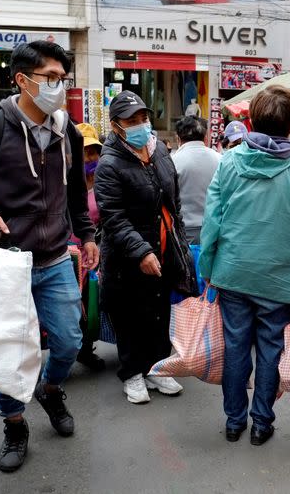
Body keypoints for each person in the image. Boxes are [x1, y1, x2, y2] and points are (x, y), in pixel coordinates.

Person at [0, 41, 98, 473]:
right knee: (10, 353)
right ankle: (14, 425)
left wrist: (86, 235)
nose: (58, 86)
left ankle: (51, 390)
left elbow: (76, 194)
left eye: (63, 79)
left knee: (70, 339)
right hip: (6, 264)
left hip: (54, 257)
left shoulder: (66, 131)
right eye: (50, 78)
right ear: (22, 79)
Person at [199, 85, 290, 446]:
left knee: (236, 346)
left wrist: (207, 267)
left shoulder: (229, 162)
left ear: (252, 121)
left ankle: (233, 421)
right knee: (271, 349)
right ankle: (261, 424)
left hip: (233, 273)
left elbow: (213, 221)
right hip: (281, 280)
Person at [93, 90, 188, 405]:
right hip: (127, 257)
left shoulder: (159, 149)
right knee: (130, 315)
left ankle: (157, 367)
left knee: (159, 312)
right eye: (131, 121)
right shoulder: (109, 164)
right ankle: (132, 373)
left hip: (163, 246)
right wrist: (141, 252)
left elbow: (173, 203)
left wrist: (178, 243)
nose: (140, 125)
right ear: (117, 126)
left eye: (143, 118)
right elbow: (114, 219)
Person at [72, 123, 105, 371]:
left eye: (93, 152)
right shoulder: (66, 183)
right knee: (68, 306)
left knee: (90, 305)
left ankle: (85, 349)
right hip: (68, 255)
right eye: (83, 152)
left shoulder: (103, 182)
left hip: (93, 255)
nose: (89, 158)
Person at [171, 116, 220, 244]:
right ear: (206, 137)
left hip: (184, 231)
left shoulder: (173, 162)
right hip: (216, 229)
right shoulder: (221, 159)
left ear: (178, 139)